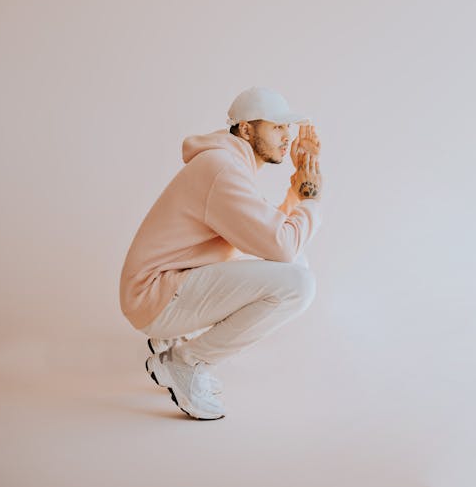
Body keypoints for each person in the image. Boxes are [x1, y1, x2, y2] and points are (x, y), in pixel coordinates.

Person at [119, 86, 323, 420]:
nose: (287, 136)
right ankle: (185, 362)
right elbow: (281, 245)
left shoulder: (227, 163)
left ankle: (177, 347)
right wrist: (312, 200)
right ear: (246, 129)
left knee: (296, 266)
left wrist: (298, 184)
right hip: (154, 296)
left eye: (288, 127)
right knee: (298, 284)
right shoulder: (222, 170)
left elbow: (269, 238)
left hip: (166, 288)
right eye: (276, 127)